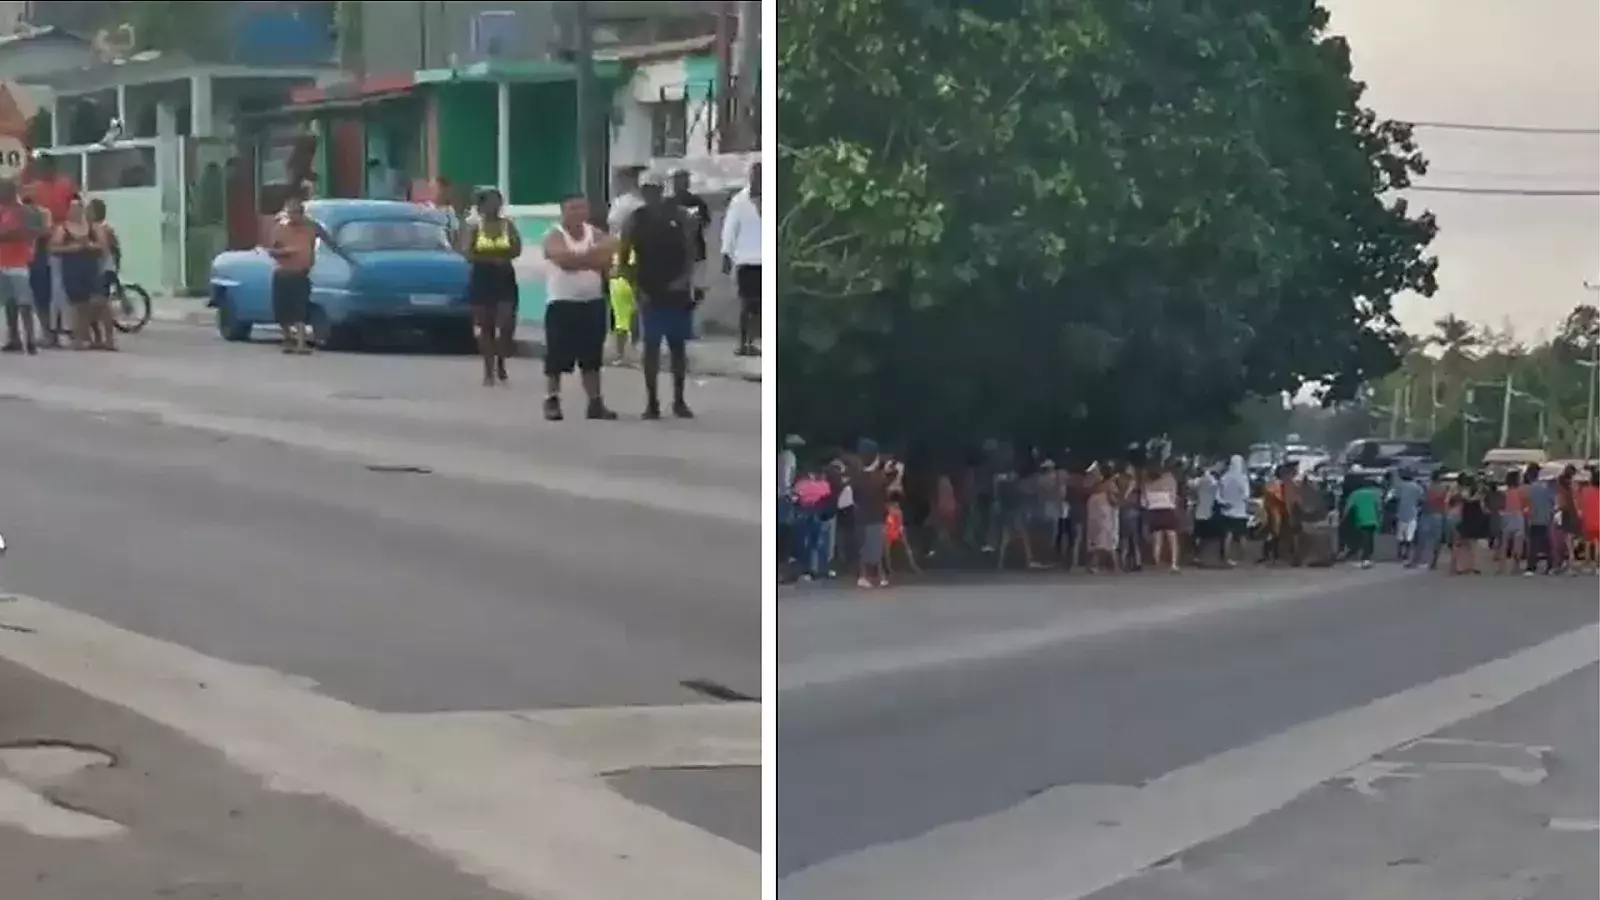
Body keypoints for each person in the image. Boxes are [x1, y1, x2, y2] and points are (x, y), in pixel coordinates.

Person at [618, 171, 697, 420]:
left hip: (676, 291)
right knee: (651, 347)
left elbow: (690, 252)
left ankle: (679, 400)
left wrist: (684, 281)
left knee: (677, 347)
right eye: (646, 189)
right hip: (649, 290)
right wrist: (635, 285)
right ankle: (652, 402)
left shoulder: (680, 216)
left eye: (655, 188)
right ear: (641, 192)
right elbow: (623, 256)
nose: (651, 193)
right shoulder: (635, 219)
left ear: (663, 190)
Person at [539, 192, 618, 420]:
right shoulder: (554, 234)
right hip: (562, 304)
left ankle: (595, 403)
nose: (578, 213)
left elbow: (610, 251)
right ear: (563, 211)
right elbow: (563, 260)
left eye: (582, 208)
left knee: (592, 357)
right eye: (572, 208)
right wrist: (592, 259)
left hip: (592, 303)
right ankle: (552, 400)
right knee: (556, 356)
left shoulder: (595, 233)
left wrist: (580, 259)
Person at [458, 188, 523, 386]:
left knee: (505, 324)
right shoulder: (474, 227)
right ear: (481, 206)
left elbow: (517, 248)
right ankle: (488, 369)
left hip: (504, 277)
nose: (494, 206)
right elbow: (467, 253)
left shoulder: (508, 226)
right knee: (485, 327)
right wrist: (489, 259)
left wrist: (503, 258)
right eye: (490, 202)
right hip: (482, 277)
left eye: (498, 201)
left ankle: (501, 360)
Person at [266, 190, 341, 355]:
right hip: (283, 273)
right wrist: (285, 251)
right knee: (283, 310)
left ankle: (300, 343)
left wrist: (340, 251)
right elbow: (270, 250)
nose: (291, 217)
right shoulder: (280, 228)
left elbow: (330, 241)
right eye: (289, 213)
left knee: (300, 309)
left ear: (301, 213)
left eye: (294, 213)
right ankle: (288, 339)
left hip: (300, 274)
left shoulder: (311, 227)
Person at [49, 195, 102, 350]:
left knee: (93, 302)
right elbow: (52, 248)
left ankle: (88, 335)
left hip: (90, 267)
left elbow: (101, 245)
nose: (75, 211)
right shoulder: (63, 228)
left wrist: (89, 246)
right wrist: (71, 248)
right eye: (72, 208)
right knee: (77, 304)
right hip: (72, 267)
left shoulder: (91, 227)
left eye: (78, 208)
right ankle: (79, 337)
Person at [721, 161, 762, 357]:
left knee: (760, 306)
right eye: (756, 176)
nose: (759, 180)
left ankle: (753, 342)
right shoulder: (739, 201)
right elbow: (730, 228)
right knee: (746, 304)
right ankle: (742, 342)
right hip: (745, 259)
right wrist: (726, 254)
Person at [0, 179, 40, 354]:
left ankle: (30, 339)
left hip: (18, 262)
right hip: (2, 261)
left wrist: (9, 234)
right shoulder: (2, 211)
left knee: (25, 303)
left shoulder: (23, 211)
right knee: (9, 303)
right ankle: (14, 337)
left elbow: (26, 232)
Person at [668, 168, 712, 307]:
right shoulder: (668, 203)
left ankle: (694, 303)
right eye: (678, 181)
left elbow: (706, 222)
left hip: (696, 248)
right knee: (680, 284)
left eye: (684, 180)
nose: (681, 184)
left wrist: (695, 222)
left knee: (697, 285)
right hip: (675, 251)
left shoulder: (696, 201)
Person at [852, 440, 891, 589]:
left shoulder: (859, 477)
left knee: (866, 547)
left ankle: (865, 576)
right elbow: (885, 493)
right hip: (875, 515)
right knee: (876, 547)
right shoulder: (879, 477)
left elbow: (855, 496)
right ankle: (879, 576)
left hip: (863, 515)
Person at [87, 197, 120, 351]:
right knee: (96, 305)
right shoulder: (104, 227)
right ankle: (101, 338)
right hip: (104, 268)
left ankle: (107, 339)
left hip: (102, 269)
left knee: (101, 304)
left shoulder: (99, 227)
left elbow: (103, 247)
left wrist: (86, 245)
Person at [1143, 464, 1182, 573]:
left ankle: (1157, 562)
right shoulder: (1170, 480)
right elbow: (1173, 497)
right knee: (1172, 539)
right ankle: (1173, 564)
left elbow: (1144, 501)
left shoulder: (1147, 483)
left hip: (1154, 512)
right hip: (1167, 511)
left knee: (1157, 539)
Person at [1216, 455, 1252, 567]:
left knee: (1228, 536)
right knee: (1242, 536)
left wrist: (1225, 502)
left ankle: (1226, 559)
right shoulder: (1242, 478)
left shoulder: (1224, 478)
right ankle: (1244, 560)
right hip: (1240, 511)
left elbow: (1218, 496)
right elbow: (1246, 495)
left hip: (1227, 511)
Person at [1452, 474, 1490, 575]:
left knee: (1463, 544)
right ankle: (1473, 566)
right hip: (1476, 518)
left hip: (1466, 518)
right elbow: (1483, 507)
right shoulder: (1479, 494)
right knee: (1473, 544)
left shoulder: (1462, 493)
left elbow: (1461, 502)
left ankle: (1461, 567)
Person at [1524, 464, 1557, 575]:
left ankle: (1531, 567)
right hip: (1546, 518)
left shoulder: (1529, 489)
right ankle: (1551, 566)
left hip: (1534, 518)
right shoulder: (1546, 488)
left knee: (1534, 543)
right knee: (1546, 543)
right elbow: (1553, 501)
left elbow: (1528, 504)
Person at [1343, 476, 1382, 569]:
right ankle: (1368, 556)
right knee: (1369, 537)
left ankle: (1365, 558)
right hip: (1373, 519)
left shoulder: (1354, 494)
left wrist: (1343, 518)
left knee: (1364, 538)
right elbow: (1379, 507)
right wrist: (1380, 518)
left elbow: (1347, 508)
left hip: (1361, 519)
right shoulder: (1374, 494)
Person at [1496, 469, 1527, 574]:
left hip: (1506, 515)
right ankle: (1515, 567)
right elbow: (1524, 504)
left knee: (1504, 543)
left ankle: (1501, 568)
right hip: (1517, 515)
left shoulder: (1505, 493)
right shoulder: (1520, 491)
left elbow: (1501, 506)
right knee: (1517, 542)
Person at [1391, 469, 1424, 564]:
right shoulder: (1418, 487)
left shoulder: (1398, 486)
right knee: (1410, 536)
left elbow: (1394, 498)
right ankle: (1407, 554)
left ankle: (1399, 553)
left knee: (1400, 535)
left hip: (1400, 513)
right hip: (1413, 513)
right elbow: (1421, 500)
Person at [1190, 461, 1220, 566]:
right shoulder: (1214, 482)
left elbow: (1192, 490)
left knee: (1198, 535)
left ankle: (1196, 556)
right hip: (1210, 511)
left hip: (1199, 511)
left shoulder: (1198, 482)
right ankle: (1205, 557)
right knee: (1207, 537)